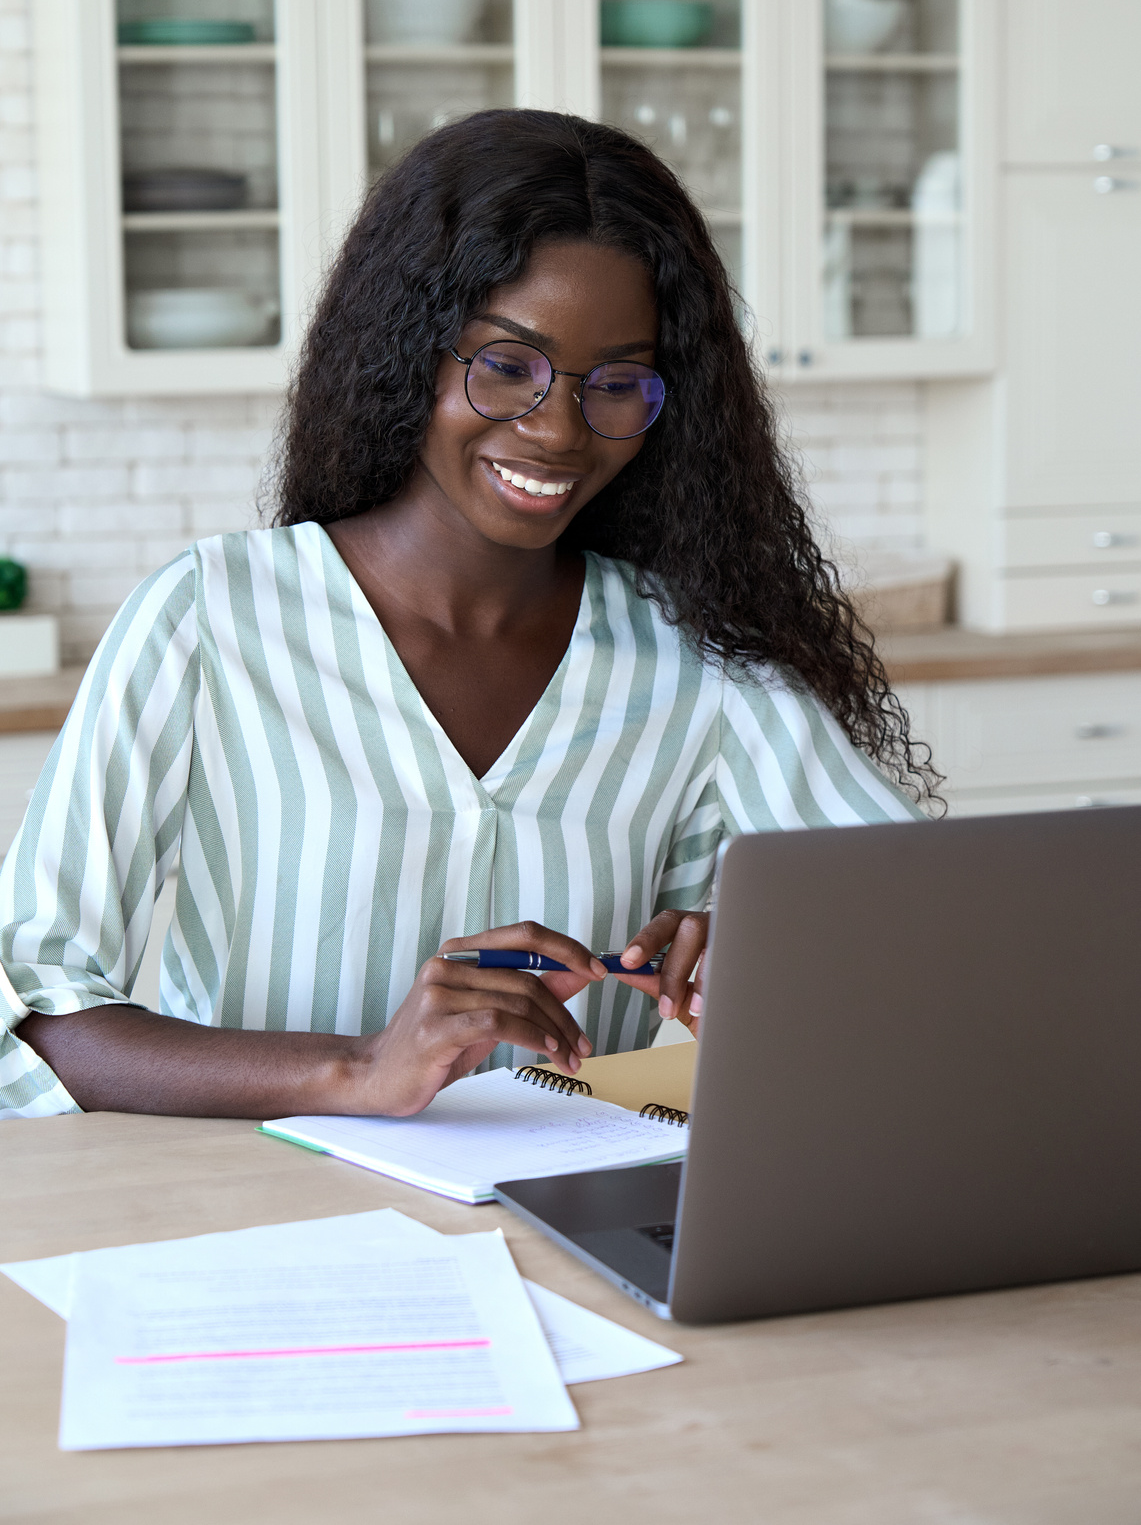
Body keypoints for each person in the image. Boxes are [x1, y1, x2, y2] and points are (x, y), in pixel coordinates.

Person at [0, 110, 934, 1122]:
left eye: (615, 383)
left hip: (570, 1239)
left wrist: (768, 955)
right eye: (505, 364)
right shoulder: (212, 618)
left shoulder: (695, 656)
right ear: (412, 351)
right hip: (266, 1226)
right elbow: (37, 1014)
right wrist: (356, 1069)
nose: (557, 430)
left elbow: (926, 939)